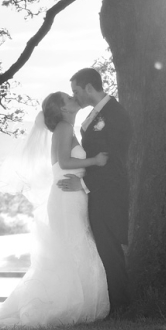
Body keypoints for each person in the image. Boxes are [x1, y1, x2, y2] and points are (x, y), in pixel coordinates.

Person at [0, 91, 110, 330]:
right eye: (68, 99)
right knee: (73, 246)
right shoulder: (63, 127)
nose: (73, 98)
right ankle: (63, 304)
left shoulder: (66, 127)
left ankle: (73, 301)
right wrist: (95, 161)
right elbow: (63, 163)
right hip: (67, 196)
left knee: (73, 247)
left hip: (72, 193)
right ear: (62, 109)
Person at [57, 68, 132, 315]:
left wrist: (86, 185)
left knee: (111, 249)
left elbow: (116, 161)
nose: (74, 96)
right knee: (103, 249)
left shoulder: (116, 114)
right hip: (95, 193)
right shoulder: (93, 114)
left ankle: (121, 306)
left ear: (89, 88)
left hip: (108, 192)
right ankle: (112, 303)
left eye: (76, 91)